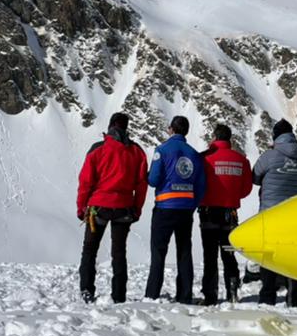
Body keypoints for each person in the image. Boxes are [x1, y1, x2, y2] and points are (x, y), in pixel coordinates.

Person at [76, 111, 148, 303]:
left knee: (90, 249)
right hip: (124, 207)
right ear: (126, 127)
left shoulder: (97, 149)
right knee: (119, 252)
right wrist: (136, 209)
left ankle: (87, 291)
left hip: (98, 206)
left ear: (110, 127)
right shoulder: (137, 151)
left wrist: (81, 207)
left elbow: (85, 182)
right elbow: (141, 184)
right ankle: (118, 295)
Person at [144, 115, 206, 303]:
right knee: (184, 251)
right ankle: (185, 295)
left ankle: (153, 294)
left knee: (158, 252)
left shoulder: (161, 150)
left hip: (164, 207)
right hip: (185, 209)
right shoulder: (194, 154)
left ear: (171, 129)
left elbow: (153, 180)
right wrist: (191, 205)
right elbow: (201, 186)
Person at [253, 118, 297, 307]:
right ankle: (294, 297)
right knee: (291, 256)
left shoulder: (269, 155)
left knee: (268, 255)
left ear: (275, 136)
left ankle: (267, 296)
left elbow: (255, 176)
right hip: (292, 212)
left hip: (269, 212)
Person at [198, 123, 253, 305]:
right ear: (229, 139)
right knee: (228, 253)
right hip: (230, 213)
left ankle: (210, 294)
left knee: (210, 254)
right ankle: (232, 290)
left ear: (215, 137)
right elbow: (246, 189)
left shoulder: (205, 158)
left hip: (208, 213)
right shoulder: (241, 159)